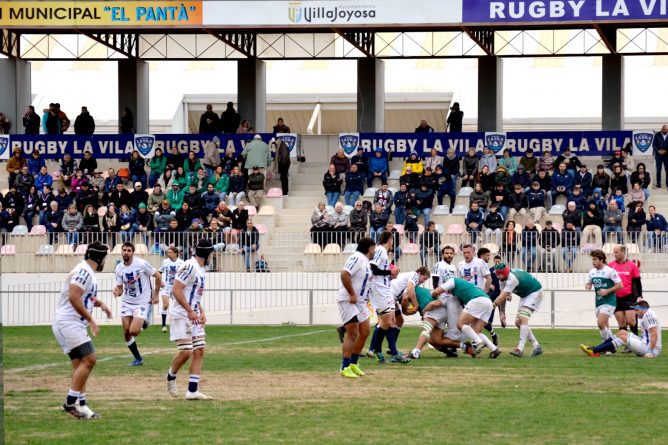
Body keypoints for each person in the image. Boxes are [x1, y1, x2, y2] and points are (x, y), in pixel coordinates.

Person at [52, 242, 111, 419]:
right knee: (90, 359)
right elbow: (74, 296)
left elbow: (83, 295)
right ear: (100, 258)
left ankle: (81, 405)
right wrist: (91, 319)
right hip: (69, 323)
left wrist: (99, 303)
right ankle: (70, 403)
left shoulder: (85, 270)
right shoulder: (84, 272)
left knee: (81, 365)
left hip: (69, 323)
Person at [166, 239, 214, 400]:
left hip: (193, 314)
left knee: (199, 350)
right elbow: (176, 289)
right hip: (181, 315)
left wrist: (200, 310)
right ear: (207, 254)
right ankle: (171, 376)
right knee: (186, 352)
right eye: (212, 252)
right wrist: (189, 311)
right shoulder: (189, 266)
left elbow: (194, 295)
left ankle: (192, 391)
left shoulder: (201, 269)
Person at [113, 242, 163, 366]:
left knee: (134, 331)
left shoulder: (141, 264)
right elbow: (120, 288)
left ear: (133, 252)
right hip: (127, 302)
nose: (126, 252)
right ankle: (138, 359)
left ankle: (142, 323)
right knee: (126, 332)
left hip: (142, 302)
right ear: (121, 251)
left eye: (129, 250)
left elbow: (157, 275)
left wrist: (156, 295)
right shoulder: (119, 268)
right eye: (124, 250)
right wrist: (117, 291)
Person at [431, 276, 500, 358]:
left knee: (460, 324)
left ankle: (478, 342)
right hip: (488, 302)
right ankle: (494, 349)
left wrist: (432, 295)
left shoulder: (453, 281)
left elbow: (436, 292)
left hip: (478, 300)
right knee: (476, 332)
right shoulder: (464, 286)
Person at [366, 232, 407, 363]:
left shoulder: (383, 252)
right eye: (392, 241)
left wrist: (389, 276)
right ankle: (376, 350)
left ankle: (384, 351)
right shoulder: (380, 250)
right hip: (379, 290)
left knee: (392, 321)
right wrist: (390, 272)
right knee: (387, 322)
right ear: (390, 240)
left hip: (385, 289)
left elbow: (379, 272)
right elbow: (372, 268)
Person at [337, 237, 375, 378]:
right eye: (374, 249)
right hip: (348, 300)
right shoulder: (357, 257)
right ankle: (344, 366)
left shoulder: (366, 262)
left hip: (360, 302)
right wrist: (352, 294)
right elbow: (345, 274)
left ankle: (353, 363)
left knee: (365, 331)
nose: (374, 252)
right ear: (370, 249)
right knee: (352, 332)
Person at [493, 263, 544, 357]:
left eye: (499, 274)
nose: (497, 276)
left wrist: (491, 307)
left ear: (505, 272)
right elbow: (502, 297)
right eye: (497, 273)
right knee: (518, 322)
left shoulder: (512, 279)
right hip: (525, 295)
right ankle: (536, 346)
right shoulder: (502, 280)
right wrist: (502, 313)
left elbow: (501, 297)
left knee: (523, 318)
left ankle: (519, 349)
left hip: (535, 292)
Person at [580, 300, 661, 358]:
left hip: (650, 349)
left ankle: (594, 351)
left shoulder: (649, 315)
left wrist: (650, 352)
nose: (635, 313)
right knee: (622, 332)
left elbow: (654, 334)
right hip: (645, 343)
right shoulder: (647, 314)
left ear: (643, 308)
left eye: (636, 310)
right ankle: (596, 349)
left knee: (623, 338)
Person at [585, 249, 623, 343]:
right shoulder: (592, 272)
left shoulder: (610, 271)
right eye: (592, 260)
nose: (593, 262)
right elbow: (589, 283)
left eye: (595, 259)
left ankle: (606, 344)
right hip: (598, 302)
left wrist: (607, 291)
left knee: (600, 323)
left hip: (609, 301)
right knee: (605, 326)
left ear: (601, 259)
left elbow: (620, 285)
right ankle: (611, 345)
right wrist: (588, 285)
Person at [609, 245, 642, 335]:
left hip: (629, 297)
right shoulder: (611, 265)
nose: (614, 254)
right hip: (615, 298)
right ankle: (627, 344)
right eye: (614, 252)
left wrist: (640, 296)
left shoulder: (632, 265)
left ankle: (636, 341)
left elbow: (637, 281)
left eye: (616, 252)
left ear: (623, 252)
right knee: (621, 323)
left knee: (631, 322)